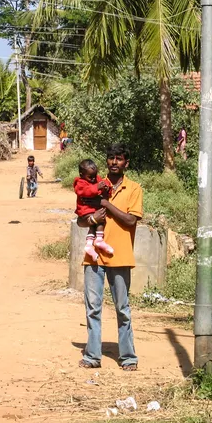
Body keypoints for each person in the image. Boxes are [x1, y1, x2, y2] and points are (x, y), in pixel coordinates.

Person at [77, 144, 143, 371]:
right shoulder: (93, 184)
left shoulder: (133, 189)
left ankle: (128, 358)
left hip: (120, 256)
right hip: (94, 258)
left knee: (122, 309)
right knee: (92, 308)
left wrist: (105, 204)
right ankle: (92, 356)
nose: (115, 162)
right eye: (111, 158)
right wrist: (93, 218)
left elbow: (131, 220)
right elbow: (80, 219)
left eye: (119, 159)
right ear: (106, 161)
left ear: (126, 163)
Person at [74, 159, 114, 262]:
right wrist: (97, 187)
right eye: (90, 177)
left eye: (94, 176)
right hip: (85, 210)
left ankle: (89, 244)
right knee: (99, 219)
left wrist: (107, 187)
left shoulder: (96, 178)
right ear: (81, 174)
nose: (93, 179)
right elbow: (85, 191)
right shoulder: (80, 182)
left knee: (95, 222)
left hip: (92, 209)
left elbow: (102, 182)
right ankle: (99, 240)